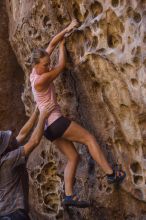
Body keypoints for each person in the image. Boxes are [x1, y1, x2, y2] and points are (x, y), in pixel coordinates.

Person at [30, 19, 126, 207]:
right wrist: (63, 46)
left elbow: (50, 44)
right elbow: (60, 66)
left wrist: (65, 30)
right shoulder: (41, 79)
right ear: (37, 65)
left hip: (49, 130)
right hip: (56, 122)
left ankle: (68, 195)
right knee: (89, 139)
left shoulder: (33, 73)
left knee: (73, 157)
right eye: (45, 65)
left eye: (47, 63)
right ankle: (111, 174)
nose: (47, 66)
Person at [0, 105, 55, 219]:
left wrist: (35, 113)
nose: (10, 141)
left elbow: (22, 134)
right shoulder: (8, 160)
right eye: (7, 141)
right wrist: (43, 117)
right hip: (14, 214)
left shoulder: (6, 154)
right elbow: (34, 141)